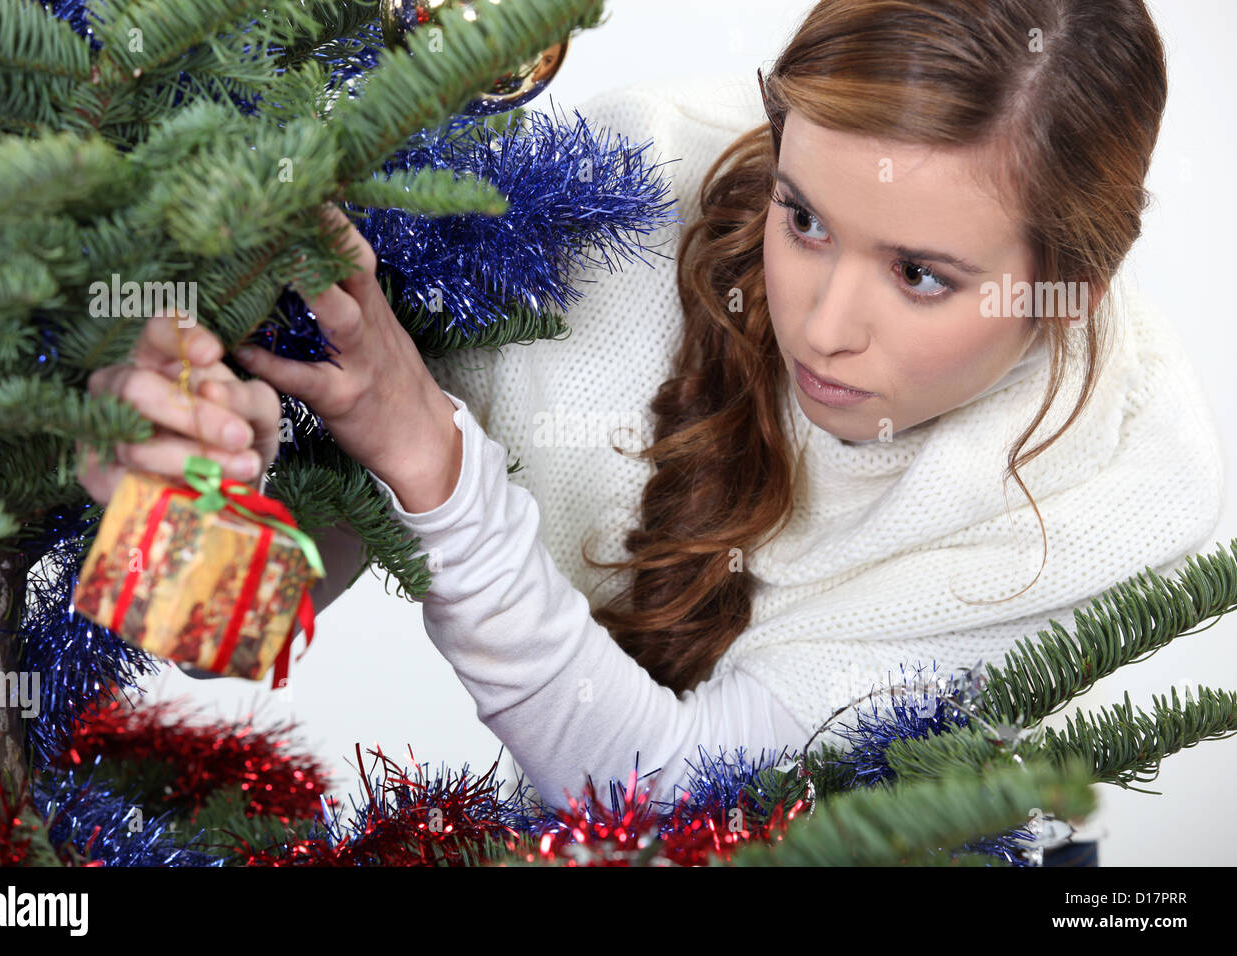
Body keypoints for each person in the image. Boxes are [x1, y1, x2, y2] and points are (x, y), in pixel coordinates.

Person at [78, 0, 1224, 848]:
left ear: (1068, 289)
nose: (821, 324)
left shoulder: (1103, 506)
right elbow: (226, 615)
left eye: (920, 275)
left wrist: (434, 464)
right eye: (803, 217)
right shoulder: (617, 195)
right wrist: (191, 454)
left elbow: (673, 803)